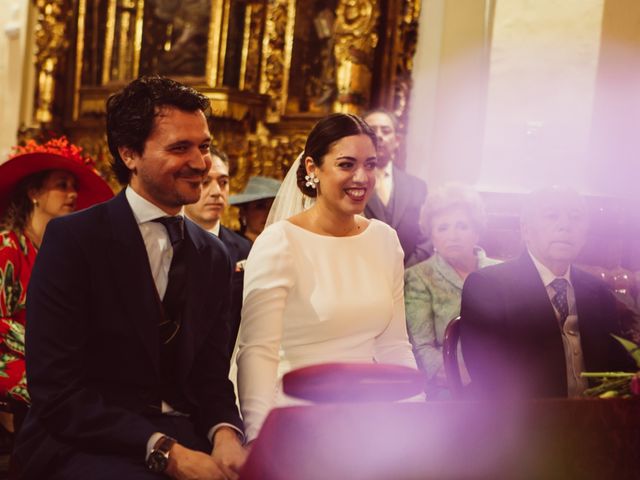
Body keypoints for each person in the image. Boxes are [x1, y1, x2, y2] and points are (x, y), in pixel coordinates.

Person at [15, 76, 246, 479]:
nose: (200, 163)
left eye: (204, 146)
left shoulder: (213, 255)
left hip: (187, 433)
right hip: (83, 440)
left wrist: (226, 433)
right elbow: (58, 392)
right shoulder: (75, 240)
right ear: (129, 154)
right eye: (180, 148)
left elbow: (211, 377)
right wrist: (166, 453)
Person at [236, 113, 419, 442]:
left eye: (370, 164)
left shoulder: (385, 240)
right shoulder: (280, 242)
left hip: (369, 411)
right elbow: (257, 352)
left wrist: (415, 411)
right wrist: (258, 437)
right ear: (312, 169)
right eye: (346, 165)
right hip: (298, 410)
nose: (361, 177)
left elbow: (394, 344)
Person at [460, 186, 636, 399]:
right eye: (552, 216)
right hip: (524, 423)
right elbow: (488, 376)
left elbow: (618, 366)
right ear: (525, 230)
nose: (565, 226)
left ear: (585, 234)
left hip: (596, 421)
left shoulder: (597, 291)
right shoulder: (488, 286)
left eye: (575, 218)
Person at [0, 137, 113, 426]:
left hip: (54, 358)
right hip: (10, 359)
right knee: (63, 393)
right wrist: (49, 348)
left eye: (74, 186)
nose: (72, 193)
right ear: (34, 192)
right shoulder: (7, 248)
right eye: (62, 185)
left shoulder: (65, 253)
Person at [404, 184, 499, 398]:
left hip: (503, 381)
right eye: (443, 228)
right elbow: (422, 347)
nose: (452, 235)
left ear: (476, 231)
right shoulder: (418, 277)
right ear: (432, 236)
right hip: (450, 386)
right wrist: (467, 377)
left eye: (462, 226)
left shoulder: (501, 272)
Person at [184, 148, 251, 356]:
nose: (216, 192)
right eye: (205, 182)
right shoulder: (170, 242)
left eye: (223, 183)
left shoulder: (245, 249)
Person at [363, 109, 430, 267]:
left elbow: (426, 240)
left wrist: (405, 274)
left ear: (397, 140)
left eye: (386, 131)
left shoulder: (417, 187)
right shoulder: (350, 182)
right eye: (371, 130)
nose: (379, 136)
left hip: (408, 278)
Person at [229, 176, 281, 244]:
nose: (269, 213)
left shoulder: (284, 246)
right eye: (260, 206)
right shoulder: (231, 247)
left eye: (274, 207)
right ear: (243, 213)